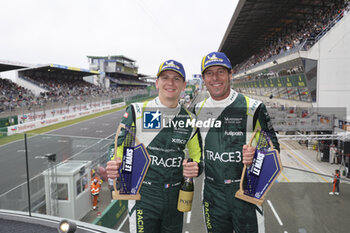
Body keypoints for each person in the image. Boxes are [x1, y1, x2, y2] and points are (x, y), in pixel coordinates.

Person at [106, 60, 202, 233]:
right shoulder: (137, 110)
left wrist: (196, 167)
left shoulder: (191, 120)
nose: (170, 83)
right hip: (144, 195)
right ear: (157, 83)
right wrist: (114, 163)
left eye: (176, 78)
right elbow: (118, 146)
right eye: (165, 78)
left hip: (175, 197)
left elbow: (199, 157)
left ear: (184, 85)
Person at [194, 52, 280, 233]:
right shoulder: (197, 109)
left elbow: (274, 149)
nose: (215, 78)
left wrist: (257, 156)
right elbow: (198, 155)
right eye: (209, 73)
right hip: (212, 195)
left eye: (220, 72)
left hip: (246, 194)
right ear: (203, 78)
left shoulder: (254, 107)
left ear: (230, 74)